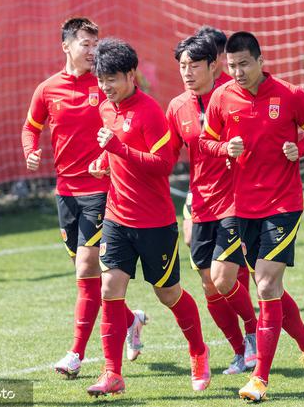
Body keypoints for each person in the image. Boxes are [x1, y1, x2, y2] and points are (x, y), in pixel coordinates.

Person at [200, 31, 304, 402]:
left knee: (267, 286)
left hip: (284, 203)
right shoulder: (222, 97)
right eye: (232, 65)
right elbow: (205, 141)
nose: (237, 72)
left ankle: (259, 379)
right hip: (243, 207)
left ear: (260, 60)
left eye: (244, 64)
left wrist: (299, 147)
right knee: (270, 288)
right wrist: (225, 148)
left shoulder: (290, 95)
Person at [20, 18, 145, 379]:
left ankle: (75, 354)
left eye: (95, 44)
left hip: (102, 191)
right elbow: (31, 127)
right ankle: (131, 320)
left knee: (87, 269)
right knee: (87, 275)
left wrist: (110, 160)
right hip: (66, 193)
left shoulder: (106, 86)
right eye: (85, 44)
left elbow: (127, 124)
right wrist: (31, 151)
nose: (92, 51)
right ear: (66, 46)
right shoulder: (47, 89)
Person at [86, 38, 210, 396]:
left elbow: (163, 165)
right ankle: (112, 373)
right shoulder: (106, 108)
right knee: (109, 288)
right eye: (101, 79)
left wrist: (118, 148)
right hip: (116, 217)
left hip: (154, 222)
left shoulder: (150, 112)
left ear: (131, 75)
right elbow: (116, 153)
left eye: (112, 79)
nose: (106, 86)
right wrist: (103, 162)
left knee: (167, 293)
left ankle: (198, 351)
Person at [167, 34, 258, 375]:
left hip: (236, 198)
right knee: (208, 284)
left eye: (194, 66)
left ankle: (254, 331)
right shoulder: (177, 107)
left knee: (222, 277)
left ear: (213, 65)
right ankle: (240, 350)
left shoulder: (233, 95)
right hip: (201, 201)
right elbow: (167, 157)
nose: (187, 72)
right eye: (182, 66)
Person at [193, 26, 251, 292]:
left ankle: (251, 309)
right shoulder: (187, 97)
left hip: (233, 191)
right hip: (200, 191)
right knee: (200, 257)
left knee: (233, 268)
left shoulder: (234, 88)